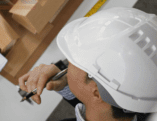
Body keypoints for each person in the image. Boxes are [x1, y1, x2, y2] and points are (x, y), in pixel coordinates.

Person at [18, 7, 157, 121]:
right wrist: (68, 84)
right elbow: (103, 102)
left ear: (96, 92)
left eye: (74, 61)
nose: (68, 63)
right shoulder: (143, 98)